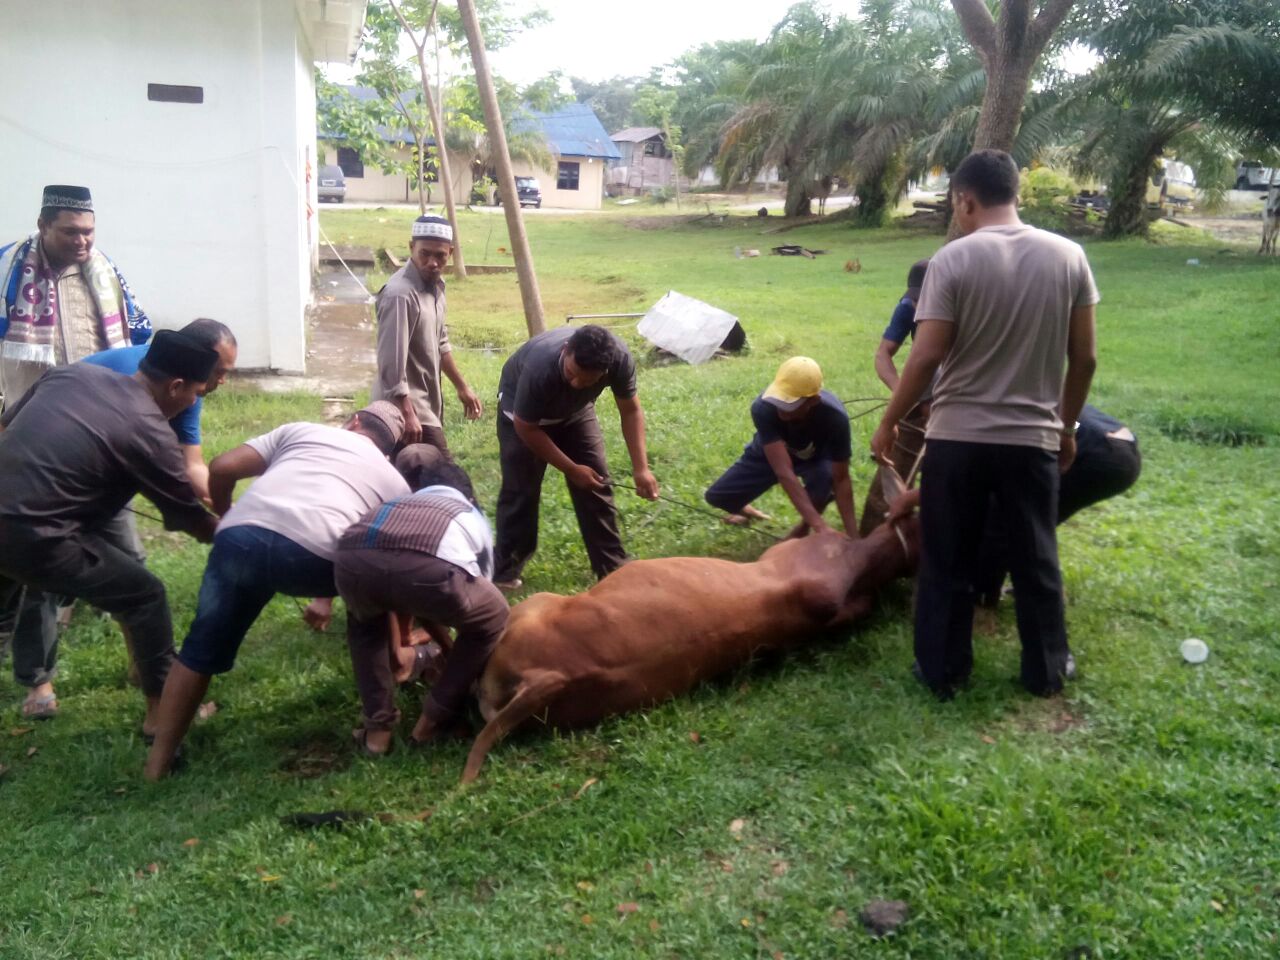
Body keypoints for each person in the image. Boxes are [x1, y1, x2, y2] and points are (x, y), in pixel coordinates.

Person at [870, 149, 1098, 700]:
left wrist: (889, 422)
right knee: (1036, 556)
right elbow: (1085, 359)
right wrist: (1066, 428)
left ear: (964, 200)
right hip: (1031, 440)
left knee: (948, 555)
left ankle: (942, 671)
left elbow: (925, 356)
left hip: (957, 439)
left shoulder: (951, 259)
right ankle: (1046, 670)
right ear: (1015, 193)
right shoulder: (1069, 256)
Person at [143, 402, 411, 779]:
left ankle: (157, 765)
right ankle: (378, 733)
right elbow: (373, 553)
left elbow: (221, 467)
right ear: (388, 450)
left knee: (198, 651)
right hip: (318, 560)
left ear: (353, 422)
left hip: (242, 540)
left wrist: (227, 514)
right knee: (368, 619)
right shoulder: (394, 482)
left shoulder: (302, 430)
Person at [1, 319, 238, 719]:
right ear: (176, 386)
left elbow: (5, 428)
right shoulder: (150, 431)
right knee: (145, 596)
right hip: (39, 537)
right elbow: (192, 522)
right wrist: (241, 531)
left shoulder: (70, 375)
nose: (194, 402)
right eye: (196, 394)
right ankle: (162, 711)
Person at [335, 447, 508, 755]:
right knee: (493, 615)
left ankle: (377, 734)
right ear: (469, 496)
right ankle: (432, 721)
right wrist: (457, 653)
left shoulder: (396, 502)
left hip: (352, 560)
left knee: (365, 630)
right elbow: (477, 597)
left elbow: (404, 589)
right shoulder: (469, 513)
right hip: (430, 571)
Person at [492, 324, 659, 590]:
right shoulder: (540, 368)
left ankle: (611, 567)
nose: (576, 383)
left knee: (597, 484)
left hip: (575, 414)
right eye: (572, 373)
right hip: (520, 418)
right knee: (521, 491)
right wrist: (570, 468)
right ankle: (504, 571)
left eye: (588, 381)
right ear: (566, 350)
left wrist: (642, 469)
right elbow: (527, 427)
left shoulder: (619, 360)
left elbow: (630, 410)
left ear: (605, 371)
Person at [0, 185, 150, 407]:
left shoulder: (105, 274)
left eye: (88, 232)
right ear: (43, 226)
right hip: (28, 412)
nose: (81, 241)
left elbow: (135, 338)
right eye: (70, 232)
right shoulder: (8, 270)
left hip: (94, 408)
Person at [704, 357, 857, 538]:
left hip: (816, 459)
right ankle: (749, 513)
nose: (781, 409)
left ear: (812, 401)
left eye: (789, 404)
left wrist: (853, 535)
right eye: (778, 401)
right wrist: (821, 527)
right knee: (717, 496)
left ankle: (803, 527)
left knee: (824, 480)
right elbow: (784, 471)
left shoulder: (835, 418)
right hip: (769, 455)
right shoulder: (762, 407)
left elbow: (841, 479)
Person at [371, 215, 482, 454]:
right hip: (405, 410)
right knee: (441, 471)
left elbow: (440, 343)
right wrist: (407, 413)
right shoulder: (400, 295)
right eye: (425, 253)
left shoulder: (436, 287)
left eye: (440, 256)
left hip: (426, 406)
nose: (432, 262)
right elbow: (390, 363)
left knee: (410, 473)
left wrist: (462, 387)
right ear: (412, 247)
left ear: (450, 252)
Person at [861, 259, 932, 536]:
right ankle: (872, 539)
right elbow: (883, 354)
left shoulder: (963, 309)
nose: (917, 304)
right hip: (922, 390)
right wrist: (902, 391)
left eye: (922, 299)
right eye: (914, 298)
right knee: (893, 466)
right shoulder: (907, 307)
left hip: (957, 398)